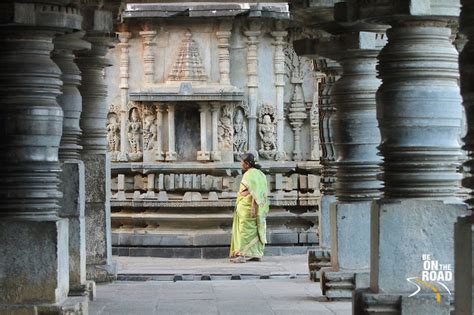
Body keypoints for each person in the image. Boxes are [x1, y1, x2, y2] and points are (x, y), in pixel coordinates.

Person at [230, 152, 269, 263]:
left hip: (248, 207)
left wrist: (252, 206)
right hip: (257, 207)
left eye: (242, 162)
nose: (241, 164)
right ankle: (255, 254)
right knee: (255, 229)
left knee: (244, 230)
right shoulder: (260, 174)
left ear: (247, 164)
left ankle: (242, 255)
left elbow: (253, 192)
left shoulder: (249, 174)